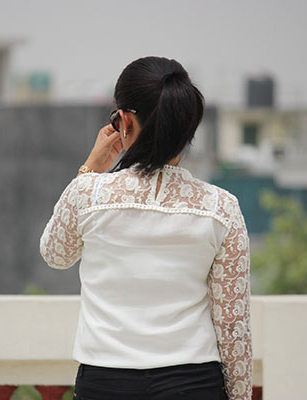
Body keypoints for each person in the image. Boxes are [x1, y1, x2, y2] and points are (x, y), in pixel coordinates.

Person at [40, 56, 252, 400]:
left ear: (122, 120)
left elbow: (55, 253)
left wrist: (90, 169)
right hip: (194, 384)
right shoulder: (220, 209)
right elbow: (233, 324)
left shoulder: (88, 194)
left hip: (105, 383)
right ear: (188, 125)